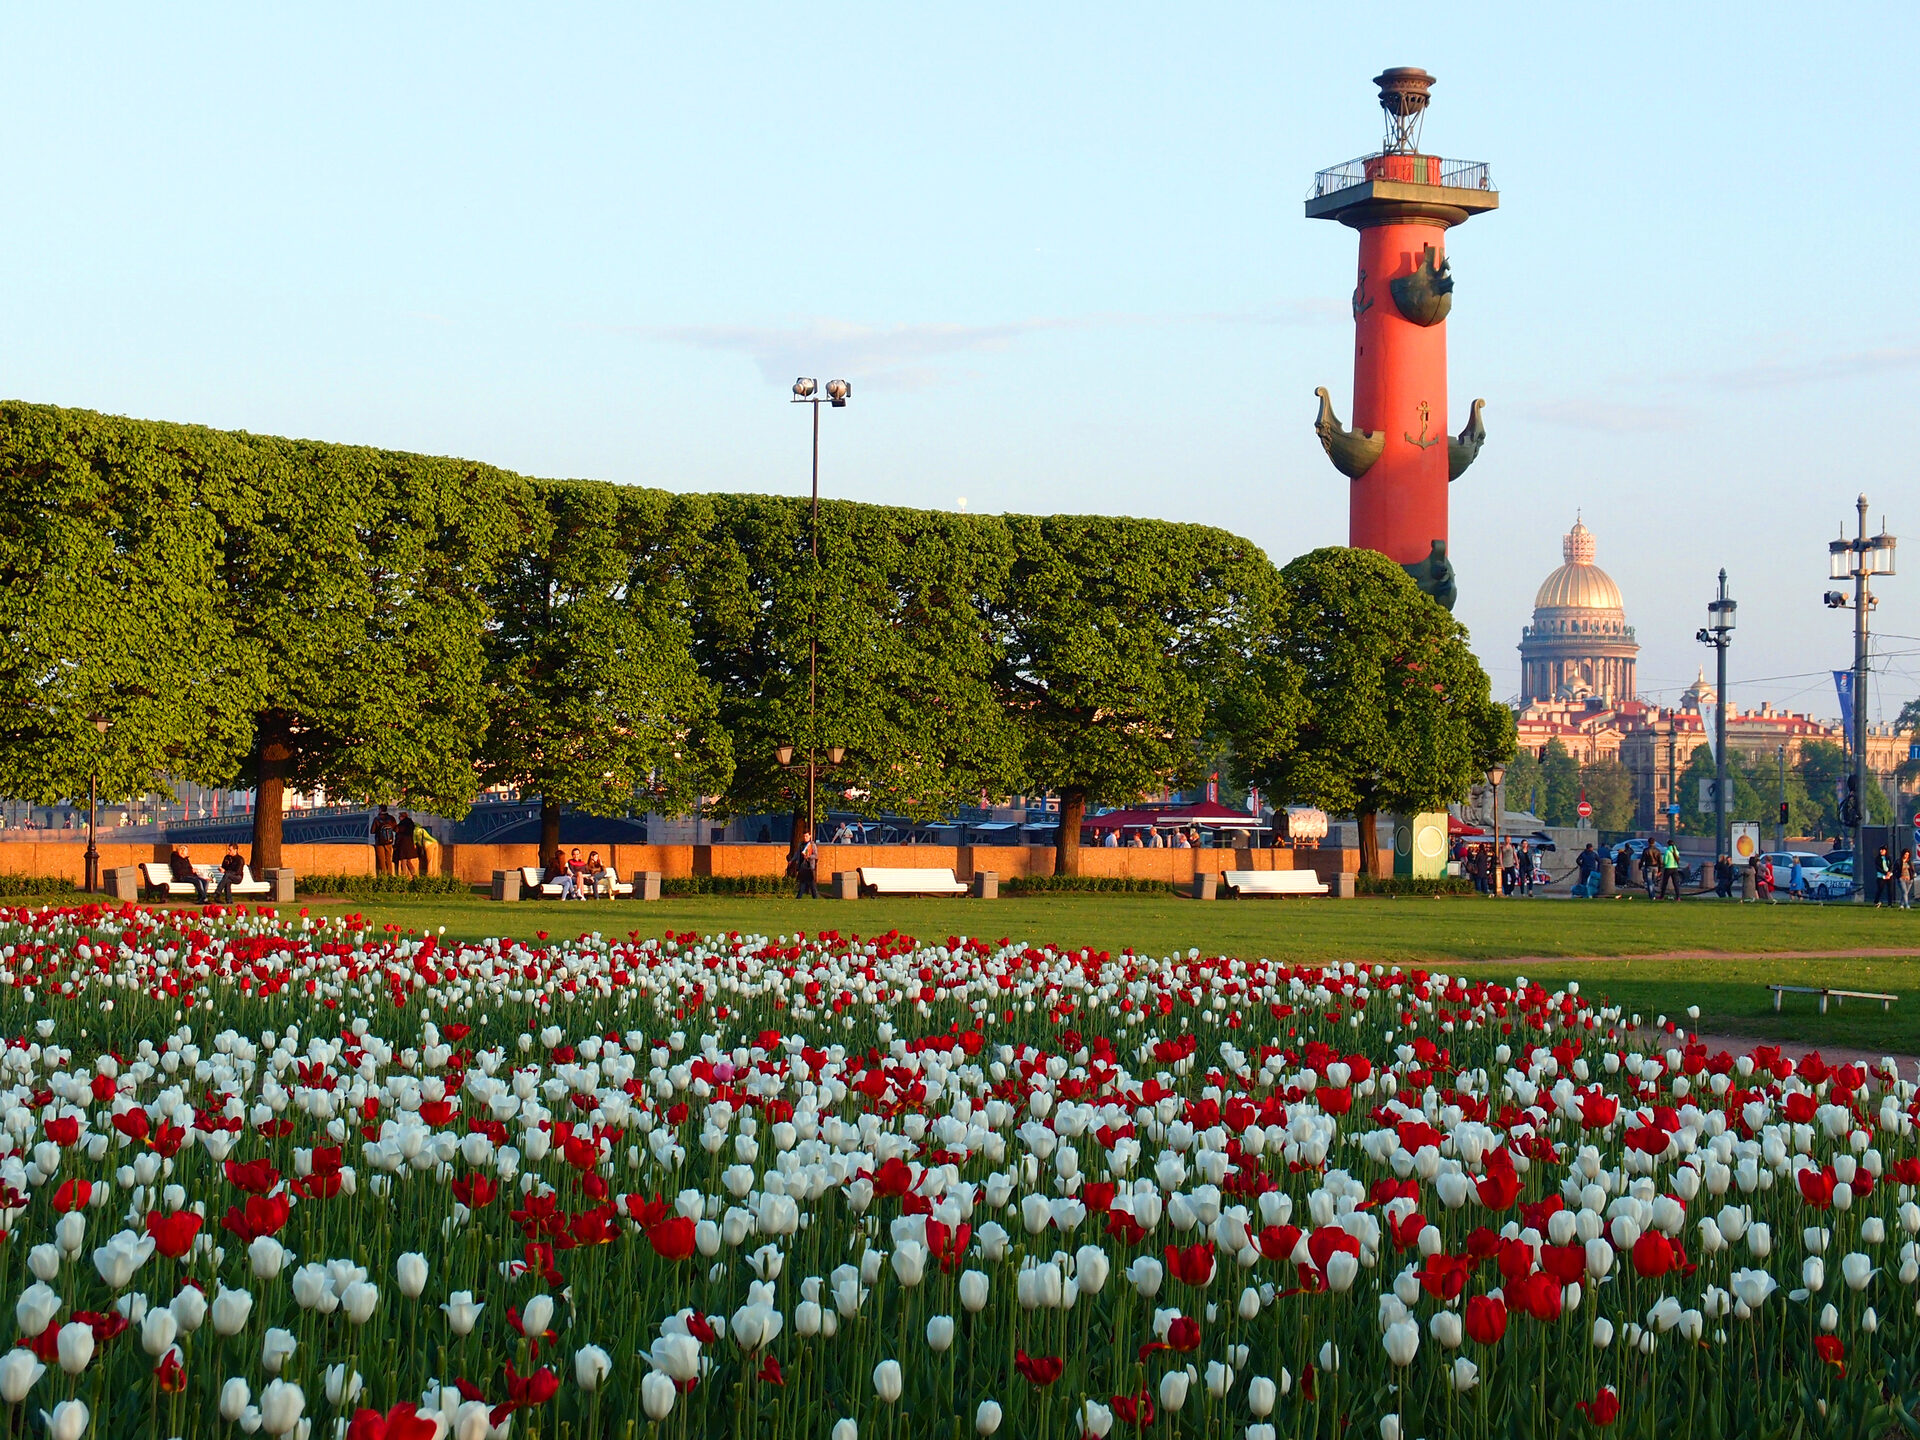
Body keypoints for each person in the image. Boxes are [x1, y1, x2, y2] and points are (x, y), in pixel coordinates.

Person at [789, 830, 819, 899]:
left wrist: (809, 857)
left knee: (810, 883)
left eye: (806, 836)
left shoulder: (812, 845)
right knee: (804, 882)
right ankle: (802, 896)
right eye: (804, 836)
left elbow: (816, 855)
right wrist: (792, 860)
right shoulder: (801, 844)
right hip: (802, 865)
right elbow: (797, 854)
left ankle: (802, 897)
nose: (805, 838)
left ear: (810, 836)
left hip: (809, 866)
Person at [370, 806, 397, 875]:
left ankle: (383, 874)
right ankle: (390, 873)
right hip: (389, 841)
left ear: (380, 810)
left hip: (379, 842)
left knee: (381, 858)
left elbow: (372, 831)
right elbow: (396, 829)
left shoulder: (377, 819)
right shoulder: (391, 818)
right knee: (388, 858)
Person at [394, 812, 418, 878]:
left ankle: (404, 877)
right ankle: (414, 875)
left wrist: (396, 845)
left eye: (400, 816)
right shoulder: (410, 824)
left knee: (403, 861)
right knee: (408, 861)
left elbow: (398, 834)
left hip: (402, 844)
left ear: (402, 817)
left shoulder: (402, 825)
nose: (399, 818)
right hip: (410, 844)